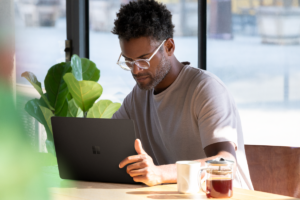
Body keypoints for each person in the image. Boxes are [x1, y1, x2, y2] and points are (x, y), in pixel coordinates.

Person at [111, 0, 253, 190]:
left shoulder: (205, 89)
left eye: (144, 60)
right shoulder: (138, 96)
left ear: (169, 47)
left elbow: (225, 163)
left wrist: (160, 173)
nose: (136, 70)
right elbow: (107, 144)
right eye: (129, 61)